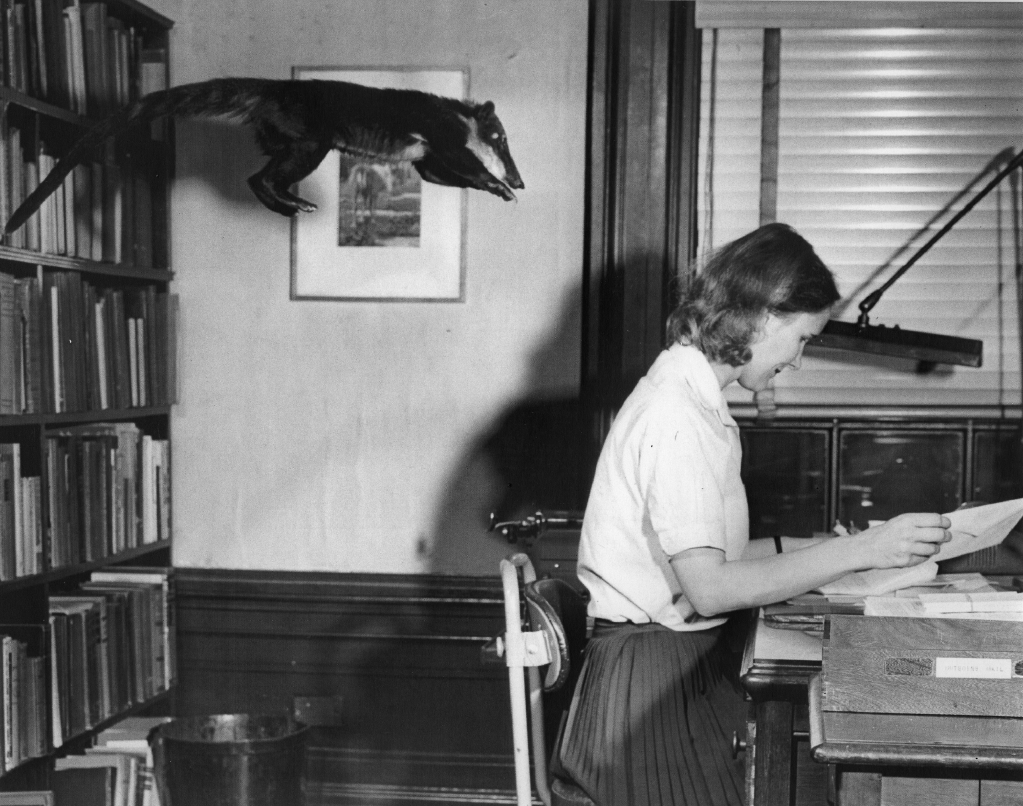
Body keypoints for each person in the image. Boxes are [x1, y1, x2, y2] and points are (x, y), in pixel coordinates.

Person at [555, 222, 951, 806]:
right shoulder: (676, 414)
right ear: (765, 317)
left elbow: (719, 560)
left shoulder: (693, 401)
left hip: (672, 673)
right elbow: (711, 587)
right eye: (804, 339)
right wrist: (860, 552)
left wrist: (820, 548)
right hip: (644, 695)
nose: (798, 361)